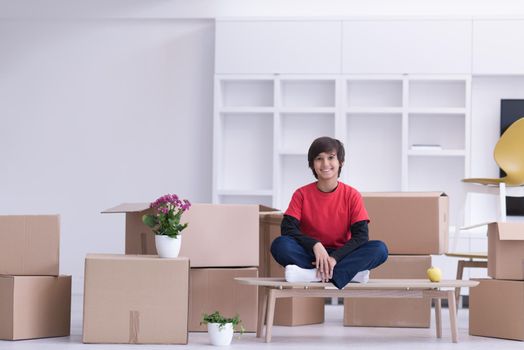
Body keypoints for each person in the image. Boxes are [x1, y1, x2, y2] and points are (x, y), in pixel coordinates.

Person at [271, 136, 388, 289]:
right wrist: (315, 244)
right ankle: (349, 273)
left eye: (331, 158)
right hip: (311, 254)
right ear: (312, 165)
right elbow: (287, 229)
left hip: (342, 254)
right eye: (319, 158)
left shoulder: (352, 195)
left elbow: (361, 236)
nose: (325, 164)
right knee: (280, 245)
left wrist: (334, 258)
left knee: (380, 249)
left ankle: (312, 274)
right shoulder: (301, 194)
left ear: (341, 162)